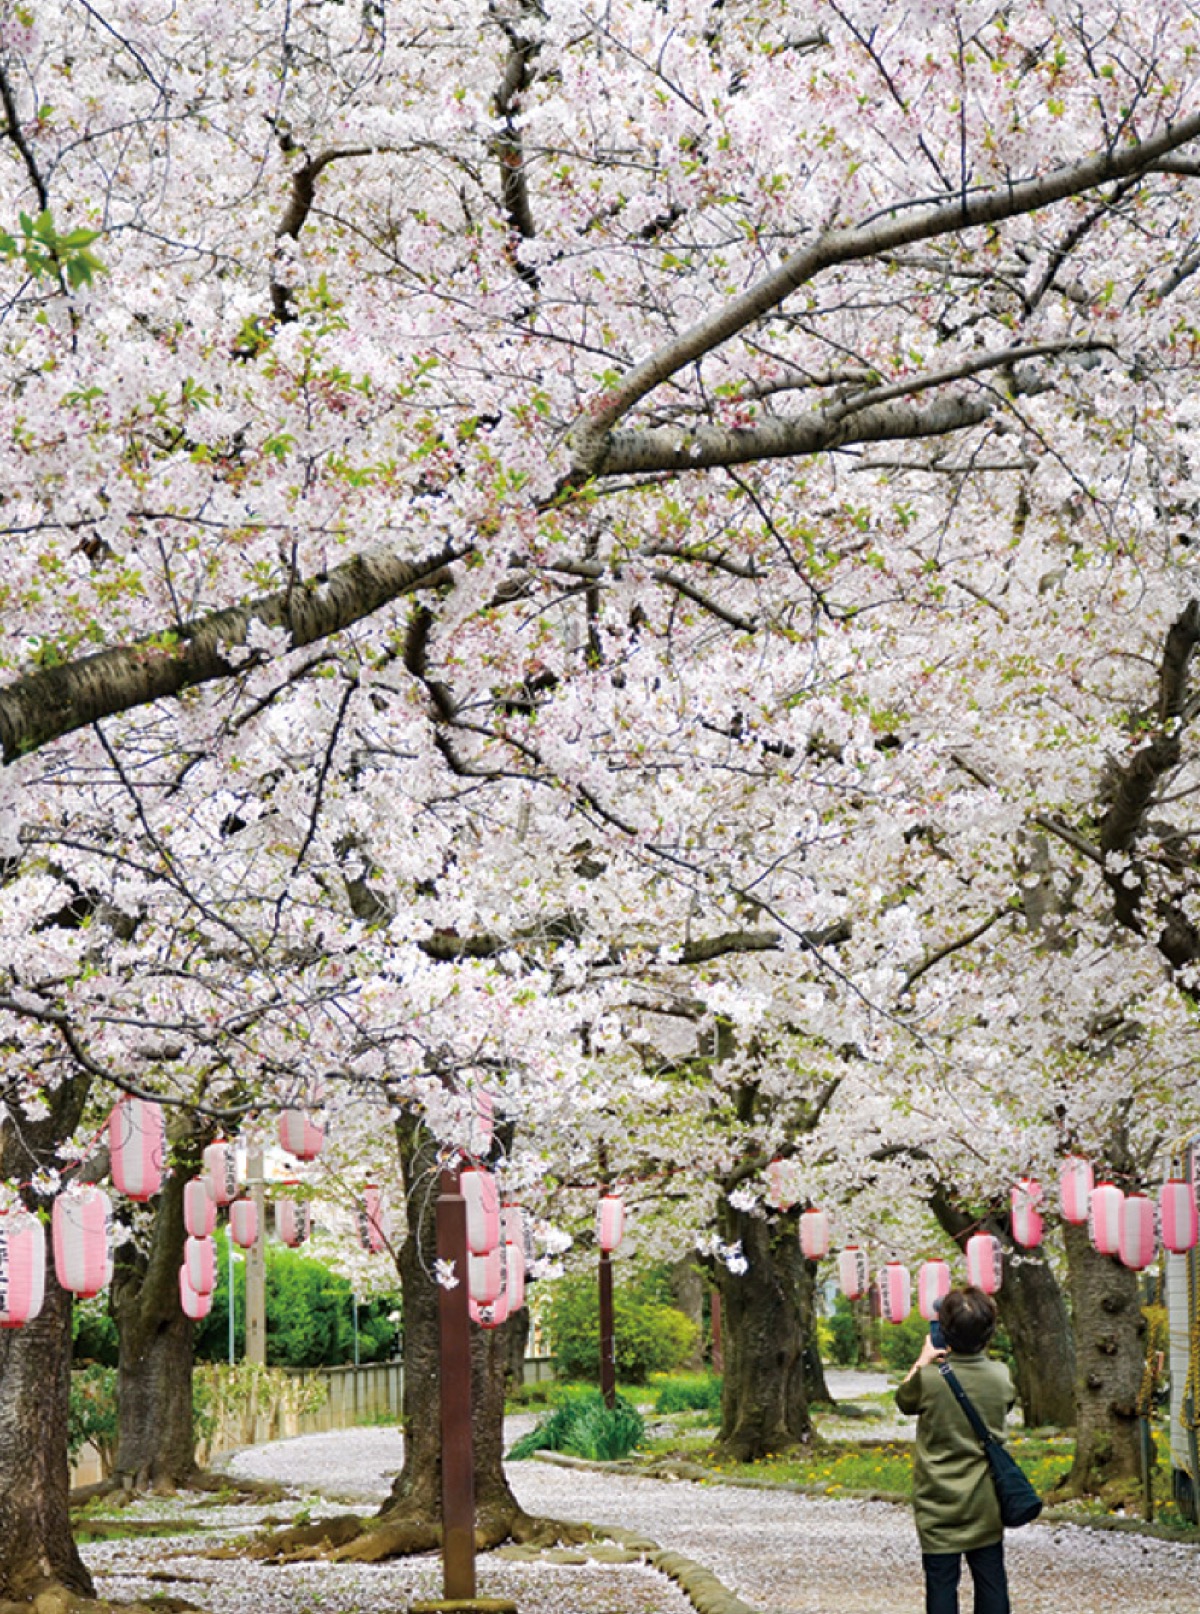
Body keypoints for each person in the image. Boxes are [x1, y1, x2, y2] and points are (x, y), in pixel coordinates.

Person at [895, 1284, 1015, 1614]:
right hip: (985, 1499)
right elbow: (1004, 1405)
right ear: (989, 1333)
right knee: (991, 1581)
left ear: (943, 1331)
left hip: (937, 1501)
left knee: (941, 1584)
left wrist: (923, 1360)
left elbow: (903, 1400)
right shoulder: (1000, 1376)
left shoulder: (929, 1379)